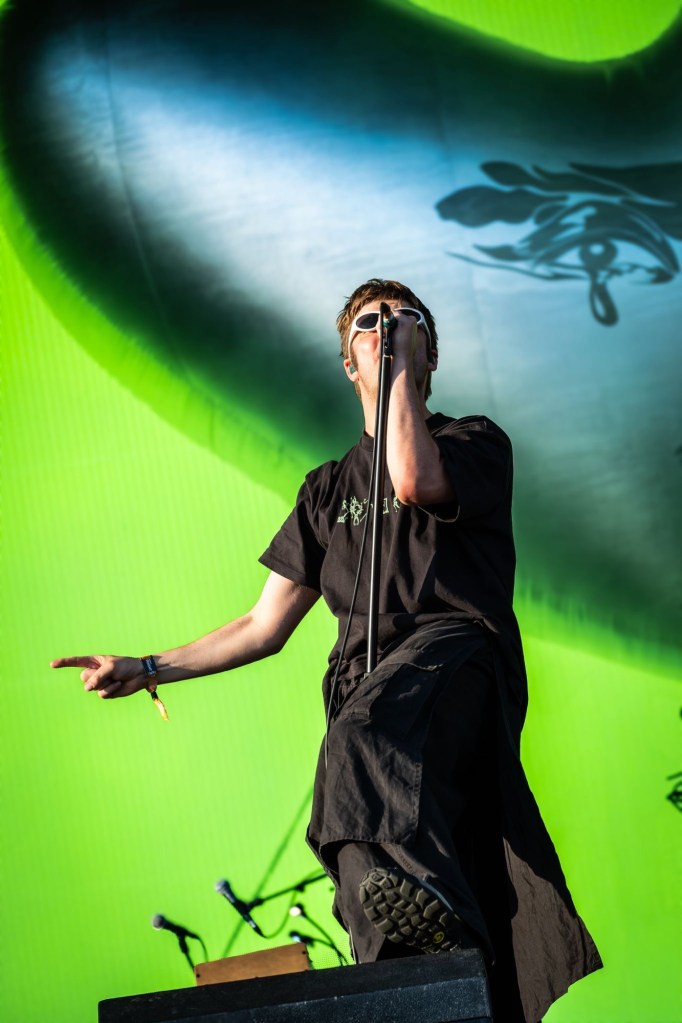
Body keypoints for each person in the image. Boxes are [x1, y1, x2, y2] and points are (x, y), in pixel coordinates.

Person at [52, 279, 601, 1022]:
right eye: (369, 326)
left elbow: (414, 480)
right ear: (348, 363)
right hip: (365, 687)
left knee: (361, 742)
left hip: (451, 658)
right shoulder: (325, 490)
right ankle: (420, 978)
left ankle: (435, 931)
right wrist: (148, 668)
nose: (386, 330)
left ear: (430, 354)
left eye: (404, 323)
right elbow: (262, 625)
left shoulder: (474, 441)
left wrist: (395, 374)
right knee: (349, 832)